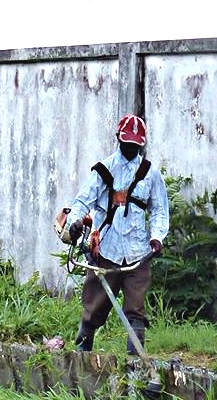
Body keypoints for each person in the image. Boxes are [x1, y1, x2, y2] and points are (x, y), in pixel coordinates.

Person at [63, 114, 169, 354]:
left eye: (135, 145)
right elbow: (82, 201)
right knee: (93, 310)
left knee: (136, 312)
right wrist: (75, 222)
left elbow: (160, 210)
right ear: (118, 140)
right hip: (106, 251)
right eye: (127, 144)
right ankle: (81, 360)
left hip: (137, 254)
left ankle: (135, 368)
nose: (130, 148)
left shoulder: (150, 174)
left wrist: (157, 237)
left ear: (141, 144)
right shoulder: (104, 169)